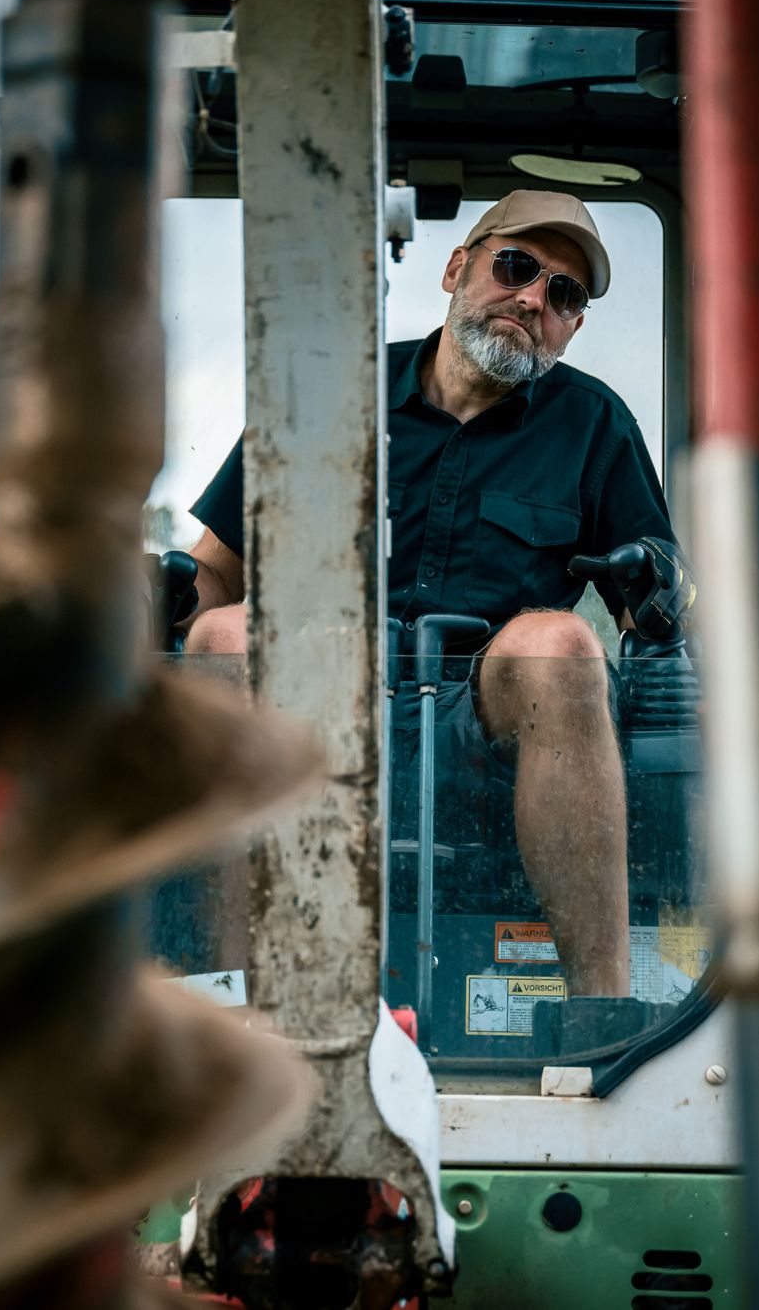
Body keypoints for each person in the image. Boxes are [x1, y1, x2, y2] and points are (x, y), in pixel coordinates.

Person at [180, 190, 678, 997]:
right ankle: (234, 1001)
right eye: (515, 266)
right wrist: (155, 597)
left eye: (563, 293)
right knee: (224, 637)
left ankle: (602, 1011)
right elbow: (215, 572)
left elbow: (655, 610)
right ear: (456, 268)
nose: (533, 298)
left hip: (487, 719)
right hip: (318, 692)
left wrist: (665, 592)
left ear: (574, 324)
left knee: (558, 644)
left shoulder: (595, 426)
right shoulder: (331, 393)